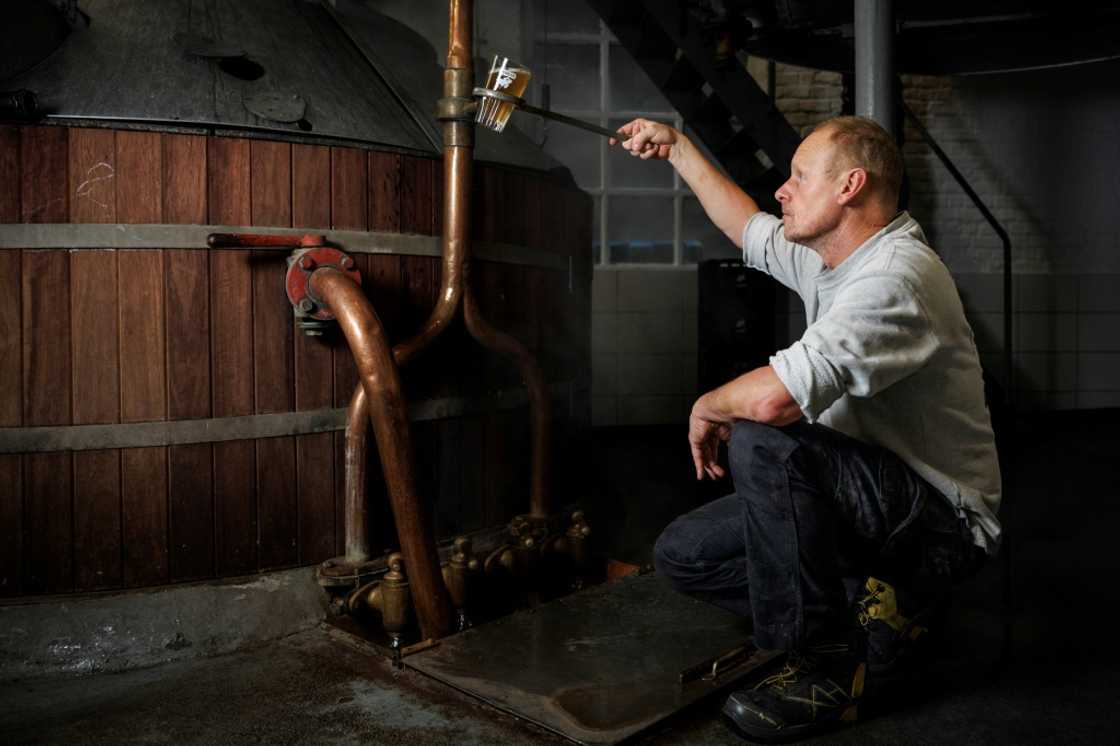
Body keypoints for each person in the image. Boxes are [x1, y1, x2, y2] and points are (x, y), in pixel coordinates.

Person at [611, 116, 1001, 743]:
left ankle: (824, 670)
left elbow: (771, 404)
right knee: (683, 556)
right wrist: (680, 146)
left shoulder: (896, 277)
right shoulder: (834, 258)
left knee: (766, 439)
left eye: (798, 176)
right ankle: (876, 611)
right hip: (862, 498)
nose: (782, 191)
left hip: (939, 524)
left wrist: (708, 405)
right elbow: (746, 225)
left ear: (850, 185)